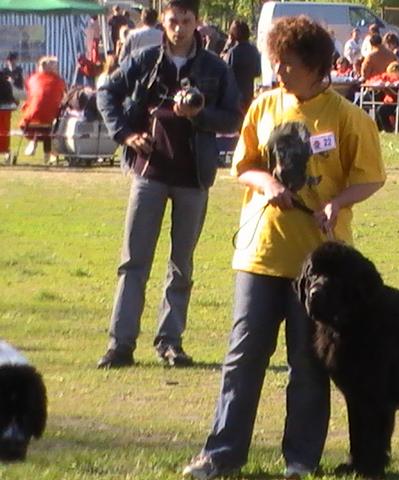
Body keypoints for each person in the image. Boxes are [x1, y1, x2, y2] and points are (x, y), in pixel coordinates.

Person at [182, 14, 385, 480]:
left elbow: (369, 177)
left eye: (289, 63)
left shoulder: (349, 117)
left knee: (309, 364)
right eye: (276, 60)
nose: (279, 70)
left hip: (318, 264)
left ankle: (300, 460)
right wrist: (267, 181)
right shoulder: (263, 105)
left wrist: (336, 203)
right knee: (243, 355)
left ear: (316, 67)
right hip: (261, 252)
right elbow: (244, 164)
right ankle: (222, 454)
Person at [95, 0, 242, 368]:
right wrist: (126, 133)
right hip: (149, 172)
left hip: (193, 175)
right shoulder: (144, 59)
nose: (178, 28)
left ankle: (170, 341)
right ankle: (120, 344)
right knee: (133, 261)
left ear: (198, 23)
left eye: (186, 21)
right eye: (173, 21)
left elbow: (232, 116)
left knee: (182, 264)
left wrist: (199, 114)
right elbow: (105, 92)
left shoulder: (214, 67)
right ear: (163, 21)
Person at [20, 56, 65, 164]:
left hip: (30, 122)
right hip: (50, 120)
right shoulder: (59, 81)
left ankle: (34, 140)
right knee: (49, 127)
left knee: (35, 116)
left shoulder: (33, 79)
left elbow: (31, 96)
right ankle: (47, 154)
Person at [222, 19, 261, 114]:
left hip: (233, 95)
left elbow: (224, 72)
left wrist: (226, 47)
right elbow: (257, 72)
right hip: (248, 93)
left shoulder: (232, 52)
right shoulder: (254, 50)